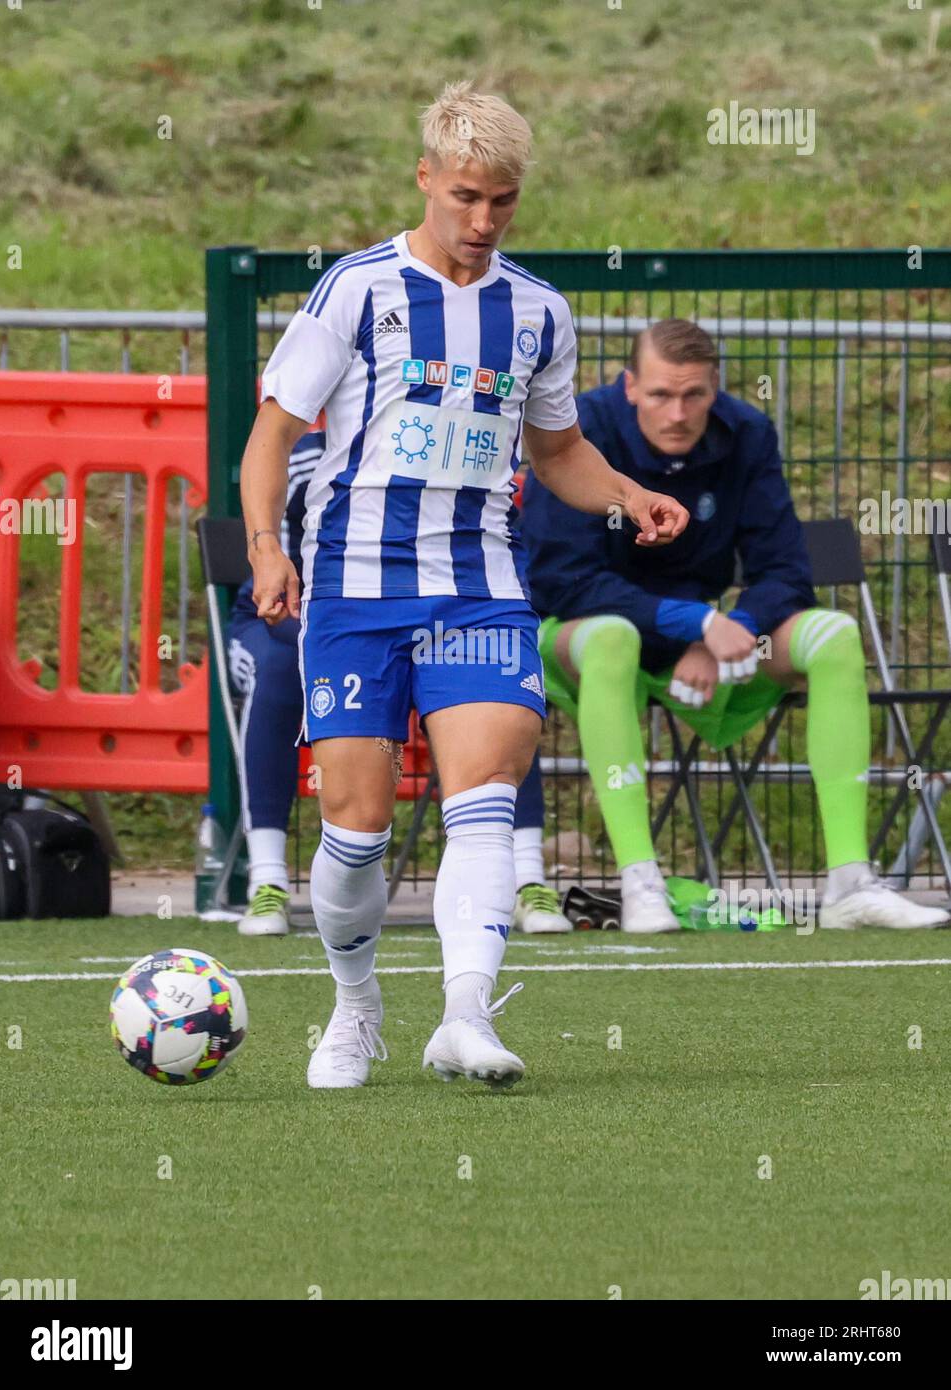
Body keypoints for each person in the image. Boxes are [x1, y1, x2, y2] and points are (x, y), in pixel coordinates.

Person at [239, 81, 689, 1091]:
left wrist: (628, 495)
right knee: (354, 830)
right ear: (426, 180)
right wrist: (270, 548)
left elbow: (558, 448)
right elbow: (269, 439)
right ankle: (357, 1005)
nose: (483, 222)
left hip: (479, 591)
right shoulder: (354, 290)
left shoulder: (537, 312)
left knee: (484, 790)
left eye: (503, 202)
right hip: (353, 593)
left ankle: (464, 1013)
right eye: (466, 198)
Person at [520, 317, 950, 933]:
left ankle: (851, 883)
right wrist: (695, 623)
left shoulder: (747, 432)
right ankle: (642, 885)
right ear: (630, 386)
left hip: (709, 642)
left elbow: (786, 570)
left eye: (695, 394)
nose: (678, 413)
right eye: (662, 394)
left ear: (715, 389)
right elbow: (560, 578)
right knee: (613, 637)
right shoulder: (579, 433)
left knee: (835, 635)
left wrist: (733, 628)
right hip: (580, 635)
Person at [226, 430, 324, 936]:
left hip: (370, 627)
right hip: (275, 625)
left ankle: (524, 877)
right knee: (284, 667)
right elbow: (276, 603)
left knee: (489, 665)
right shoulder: (301, 463)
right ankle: (267, 883)